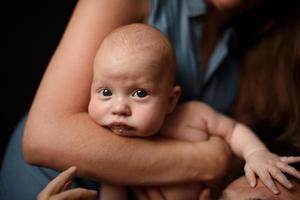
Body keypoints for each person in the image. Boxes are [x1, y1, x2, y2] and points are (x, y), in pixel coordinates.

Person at [1, 0, 300, 199]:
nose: (119, 107)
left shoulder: (248, 54)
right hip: (48, 184)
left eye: (139, 93)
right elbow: (45, 139)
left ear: (172, 100)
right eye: (105, 92)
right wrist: (209, 160)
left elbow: (230, 141)